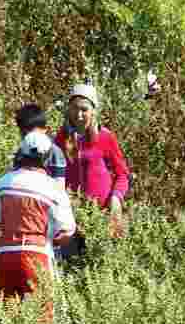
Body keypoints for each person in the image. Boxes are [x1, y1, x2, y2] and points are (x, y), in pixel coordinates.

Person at [0, 130, 76, 303]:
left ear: (21, 153)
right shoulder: (53, 188)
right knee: (42, 319)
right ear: (47, 157)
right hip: (37, 254)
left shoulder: (4, 181)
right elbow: (66, 231)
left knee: (8, 317)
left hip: (6, 255)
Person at [54, 83, 130, 235]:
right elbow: (52, 173)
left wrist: (116, 198)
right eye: (75, 108)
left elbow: (122, 175)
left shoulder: (105, 137)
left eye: (84, 109)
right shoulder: (61, 138)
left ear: (93, 111)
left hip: (102, 216)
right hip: (72, 216)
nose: (79, 114)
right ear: (69, 109)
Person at [12, 103, 66, 191]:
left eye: (34, 133)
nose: (30, 138)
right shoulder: (21, 151)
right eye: (25, 134)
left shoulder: (55, 153)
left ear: (45, 129)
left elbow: (59, 186)